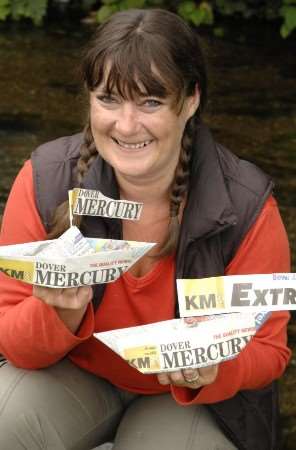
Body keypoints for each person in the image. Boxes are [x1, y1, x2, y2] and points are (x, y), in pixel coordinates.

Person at [0, 8, 291, 450]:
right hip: (80, 374)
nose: (127, 125)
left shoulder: (247, 205)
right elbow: (12, 338)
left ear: (190, 101)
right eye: (109, 99)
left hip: (188, 401)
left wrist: (213, 367)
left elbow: (270, 351)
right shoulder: (45, 179)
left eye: (151, 102)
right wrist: (57, 313)